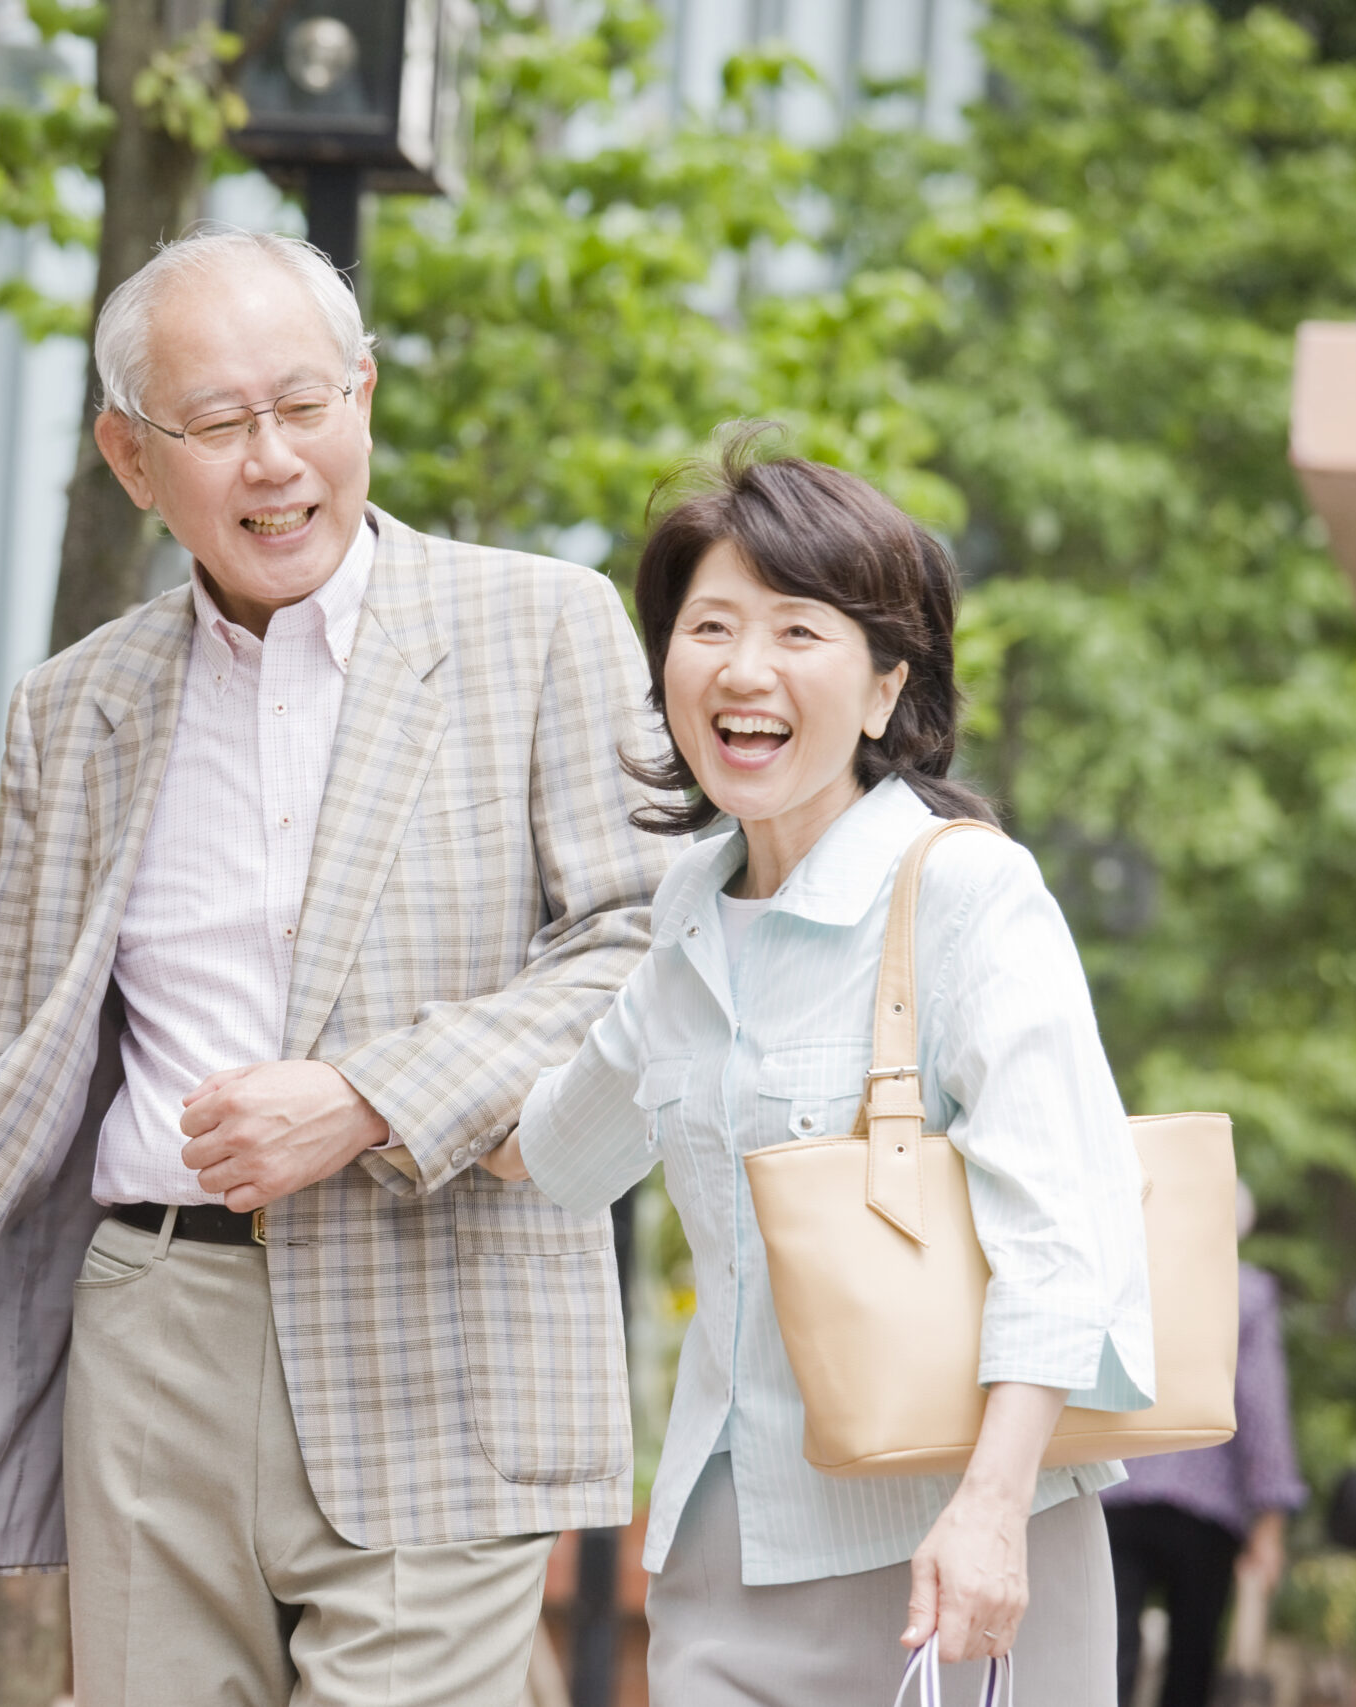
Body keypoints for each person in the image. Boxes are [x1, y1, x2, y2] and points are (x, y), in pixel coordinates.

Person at [0, 225, 669, 1706]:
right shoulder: (70, 708)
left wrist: (365, 1095)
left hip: (442, 1305)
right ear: (133, 460)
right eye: (216, 424)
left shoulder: (543, 625)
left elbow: (645, 946)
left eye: (304, 405)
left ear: (366, 397)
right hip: (153, 1320)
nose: (273, 459)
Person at [484, 428, 1155, 1704]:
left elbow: (1068, 1234)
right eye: (710, 627)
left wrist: (992, 1511)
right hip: (725, 1562)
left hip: (950, 1546)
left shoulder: (965, 893)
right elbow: (547, 1155)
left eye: (798, 631)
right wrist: (361, 1093)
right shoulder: (684, 918)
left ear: (885, 688)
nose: (745, 669)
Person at [1101, 1183, 1307, 1707]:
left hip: (1118, 1488)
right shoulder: (1246, 1293)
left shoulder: (1128, 1279)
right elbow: (1260, 1406)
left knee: (1111, 1652)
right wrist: (1271, 1518)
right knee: (1191, 1663)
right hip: (1207, 1510)